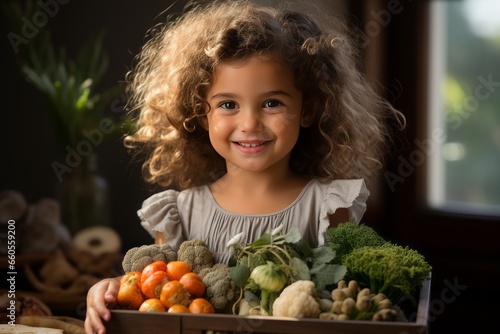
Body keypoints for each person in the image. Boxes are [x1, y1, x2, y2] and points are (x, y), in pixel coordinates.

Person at [85, 0, 405, 332]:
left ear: (308, 109)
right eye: (228, 104)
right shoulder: (179, 212)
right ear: (200, 114)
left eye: (272, 103)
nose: (249, 123)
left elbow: (343, 306)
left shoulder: (329, 207)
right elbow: (155, 291)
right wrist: (108, 288)